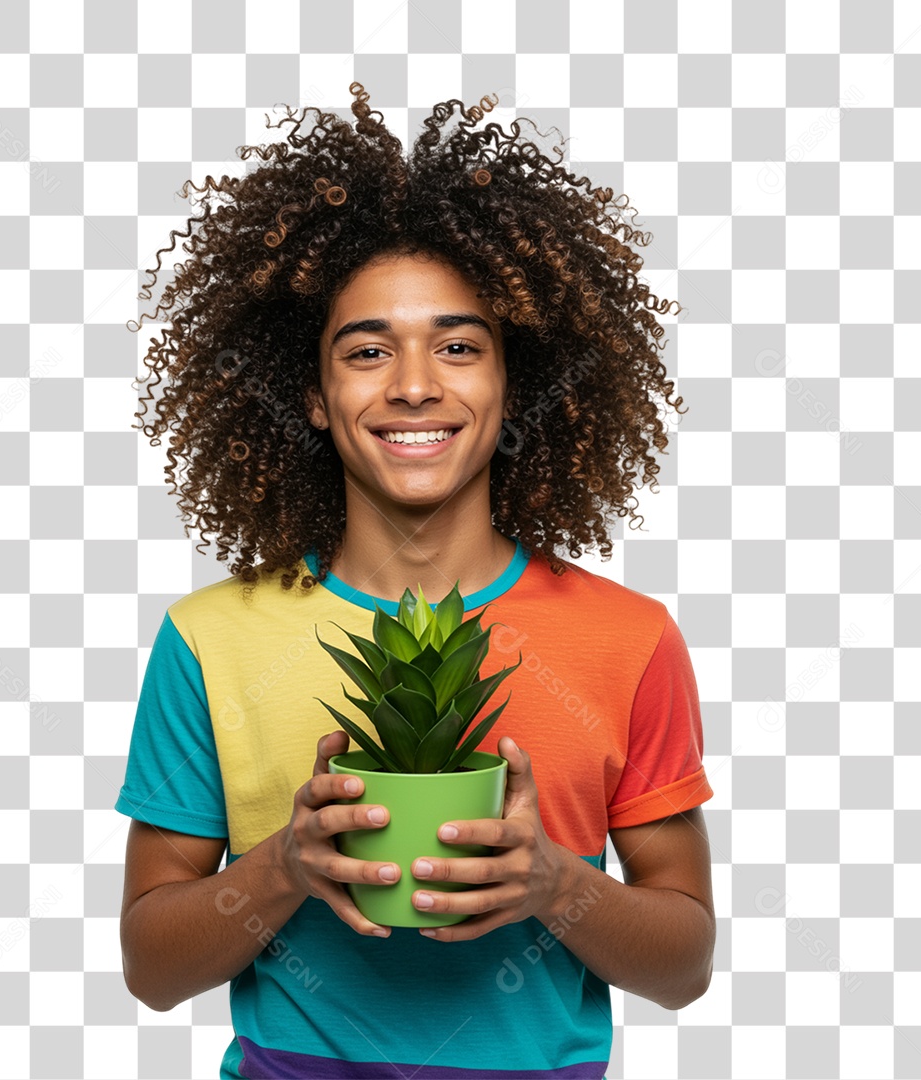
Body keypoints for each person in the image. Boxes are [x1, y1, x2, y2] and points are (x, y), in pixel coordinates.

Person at [116, 83, 715, 1079]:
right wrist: (285, 867)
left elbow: (685, 964)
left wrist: (550, 884)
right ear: (311, 394)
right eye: (365, 350)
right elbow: (150, 967)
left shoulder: (630, 640)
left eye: (459, 345)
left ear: (509, 382)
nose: (413, 384)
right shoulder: (210, 641)